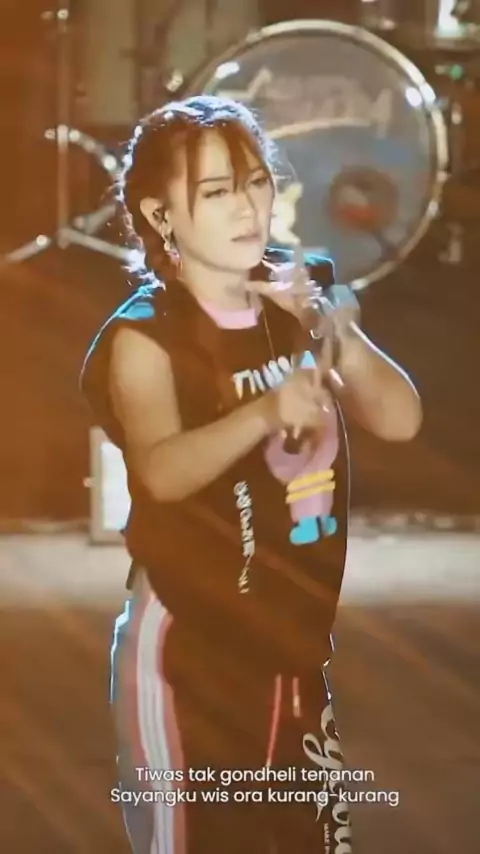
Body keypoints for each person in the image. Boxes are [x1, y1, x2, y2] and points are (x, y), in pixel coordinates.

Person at [80, 95, 422, 854]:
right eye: (215, 191)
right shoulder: (147, 336)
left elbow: (400, 419)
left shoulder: (298, 297)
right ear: (160, 214)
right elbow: (162, 472)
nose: (248, 208)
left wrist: (334, 328)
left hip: (292, 650)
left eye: (257, 182)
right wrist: (266, 411)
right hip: (189, 657)